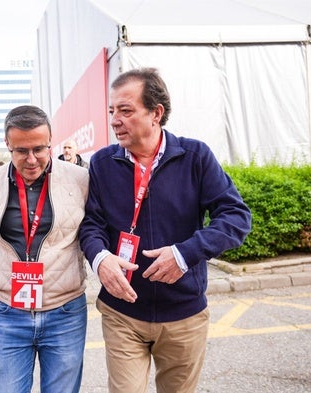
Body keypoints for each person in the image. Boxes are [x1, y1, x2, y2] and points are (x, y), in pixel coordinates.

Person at [78, 68, 252, 393]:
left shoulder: (195, 156)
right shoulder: (102, 163)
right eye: (112, 111)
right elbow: (92, 225)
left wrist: (184, 254)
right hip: (122, 313)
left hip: (184, 315)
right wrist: (100, 258)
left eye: (126, 110)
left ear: (156, 113)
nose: (115, 120)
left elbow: (236, 218)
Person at [0, 105, 89, 393]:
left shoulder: (79, 180)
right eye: (21, 151)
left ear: (51, 141)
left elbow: (88, 233)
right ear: (8, 145)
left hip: (64, 312)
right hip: (8, 313)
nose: (31, 159)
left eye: (40, 149)